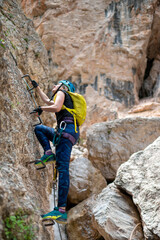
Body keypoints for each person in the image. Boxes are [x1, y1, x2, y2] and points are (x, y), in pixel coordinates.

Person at [31, 79, 79, 224]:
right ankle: (48, 153)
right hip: (65, 133)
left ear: (64, 87)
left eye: (57, 84)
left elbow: (56, 108)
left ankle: (61, 211)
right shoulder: (62, 96)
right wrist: (37, 88)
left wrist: (41, 108)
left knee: (63, 169)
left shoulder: (62, 93)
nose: (54, 86)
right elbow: (48, 101)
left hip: (65, 133)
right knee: (39, 129)